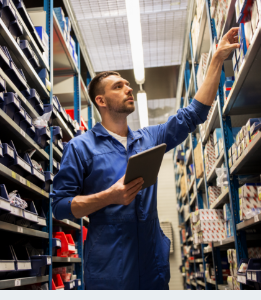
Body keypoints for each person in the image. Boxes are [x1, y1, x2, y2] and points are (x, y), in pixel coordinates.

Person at [51, 28, 240, 290]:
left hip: (152, 266)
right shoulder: (80, 147)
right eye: (119, 86)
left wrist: (217, 59)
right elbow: (59, 205)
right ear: (101, 100)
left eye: (128, 84)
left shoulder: (149, 138)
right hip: (110, 272)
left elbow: (194, 114)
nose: (129, 89)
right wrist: (108, 196)